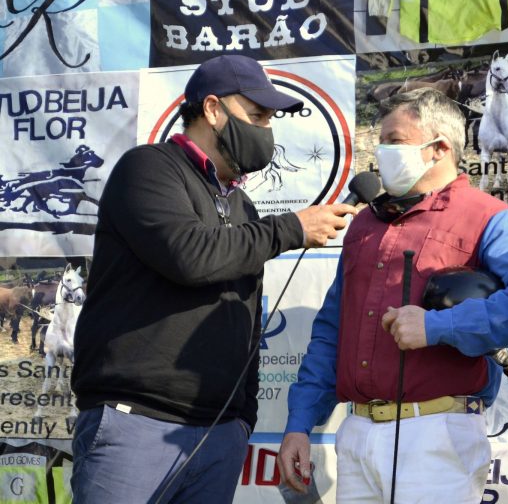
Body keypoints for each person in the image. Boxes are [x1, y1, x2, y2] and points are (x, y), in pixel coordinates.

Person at [70, 54, 357, 504]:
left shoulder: (243, 207)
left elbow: (247, 317)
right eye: (257, 115)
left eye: (270, 120)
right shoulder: (148, 168)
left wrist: (242, 418)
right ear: (212, 109)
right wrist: (292, 228)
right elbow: (189, 256)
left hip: (219, 434)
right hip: (136, 423)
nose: (266, 131)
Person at [277, 88, 508, 503]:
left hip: (436, 434)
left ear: (439, 149)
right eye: (381, 141)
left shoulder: (488, 216)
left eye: (394, 141)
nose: (381, 152)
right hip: (356, 434)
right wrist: (299, 424)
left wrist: (436, 326)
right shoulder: (365, 224)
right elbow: (332, 329)